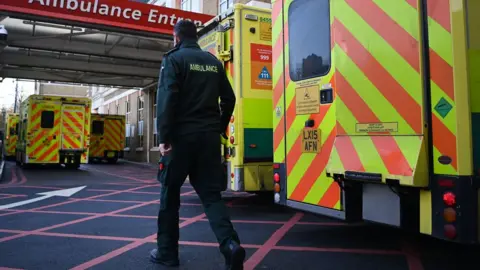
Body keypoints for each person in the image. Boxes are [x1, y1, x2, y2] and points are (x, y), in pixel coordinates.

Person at [150, 20, 245, 270]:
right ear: (196, 36)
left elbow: (167, 99)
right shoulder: (213, 62)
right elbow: (229, 98)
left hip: (180, 141)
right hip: (208, 140)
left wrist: (164, 138)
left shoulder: (174, 60)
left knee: (170, 196)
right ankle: (230, 245)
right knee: (212, 197)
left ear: (176, 38)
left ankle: (167, 253)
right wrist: (218, 126)